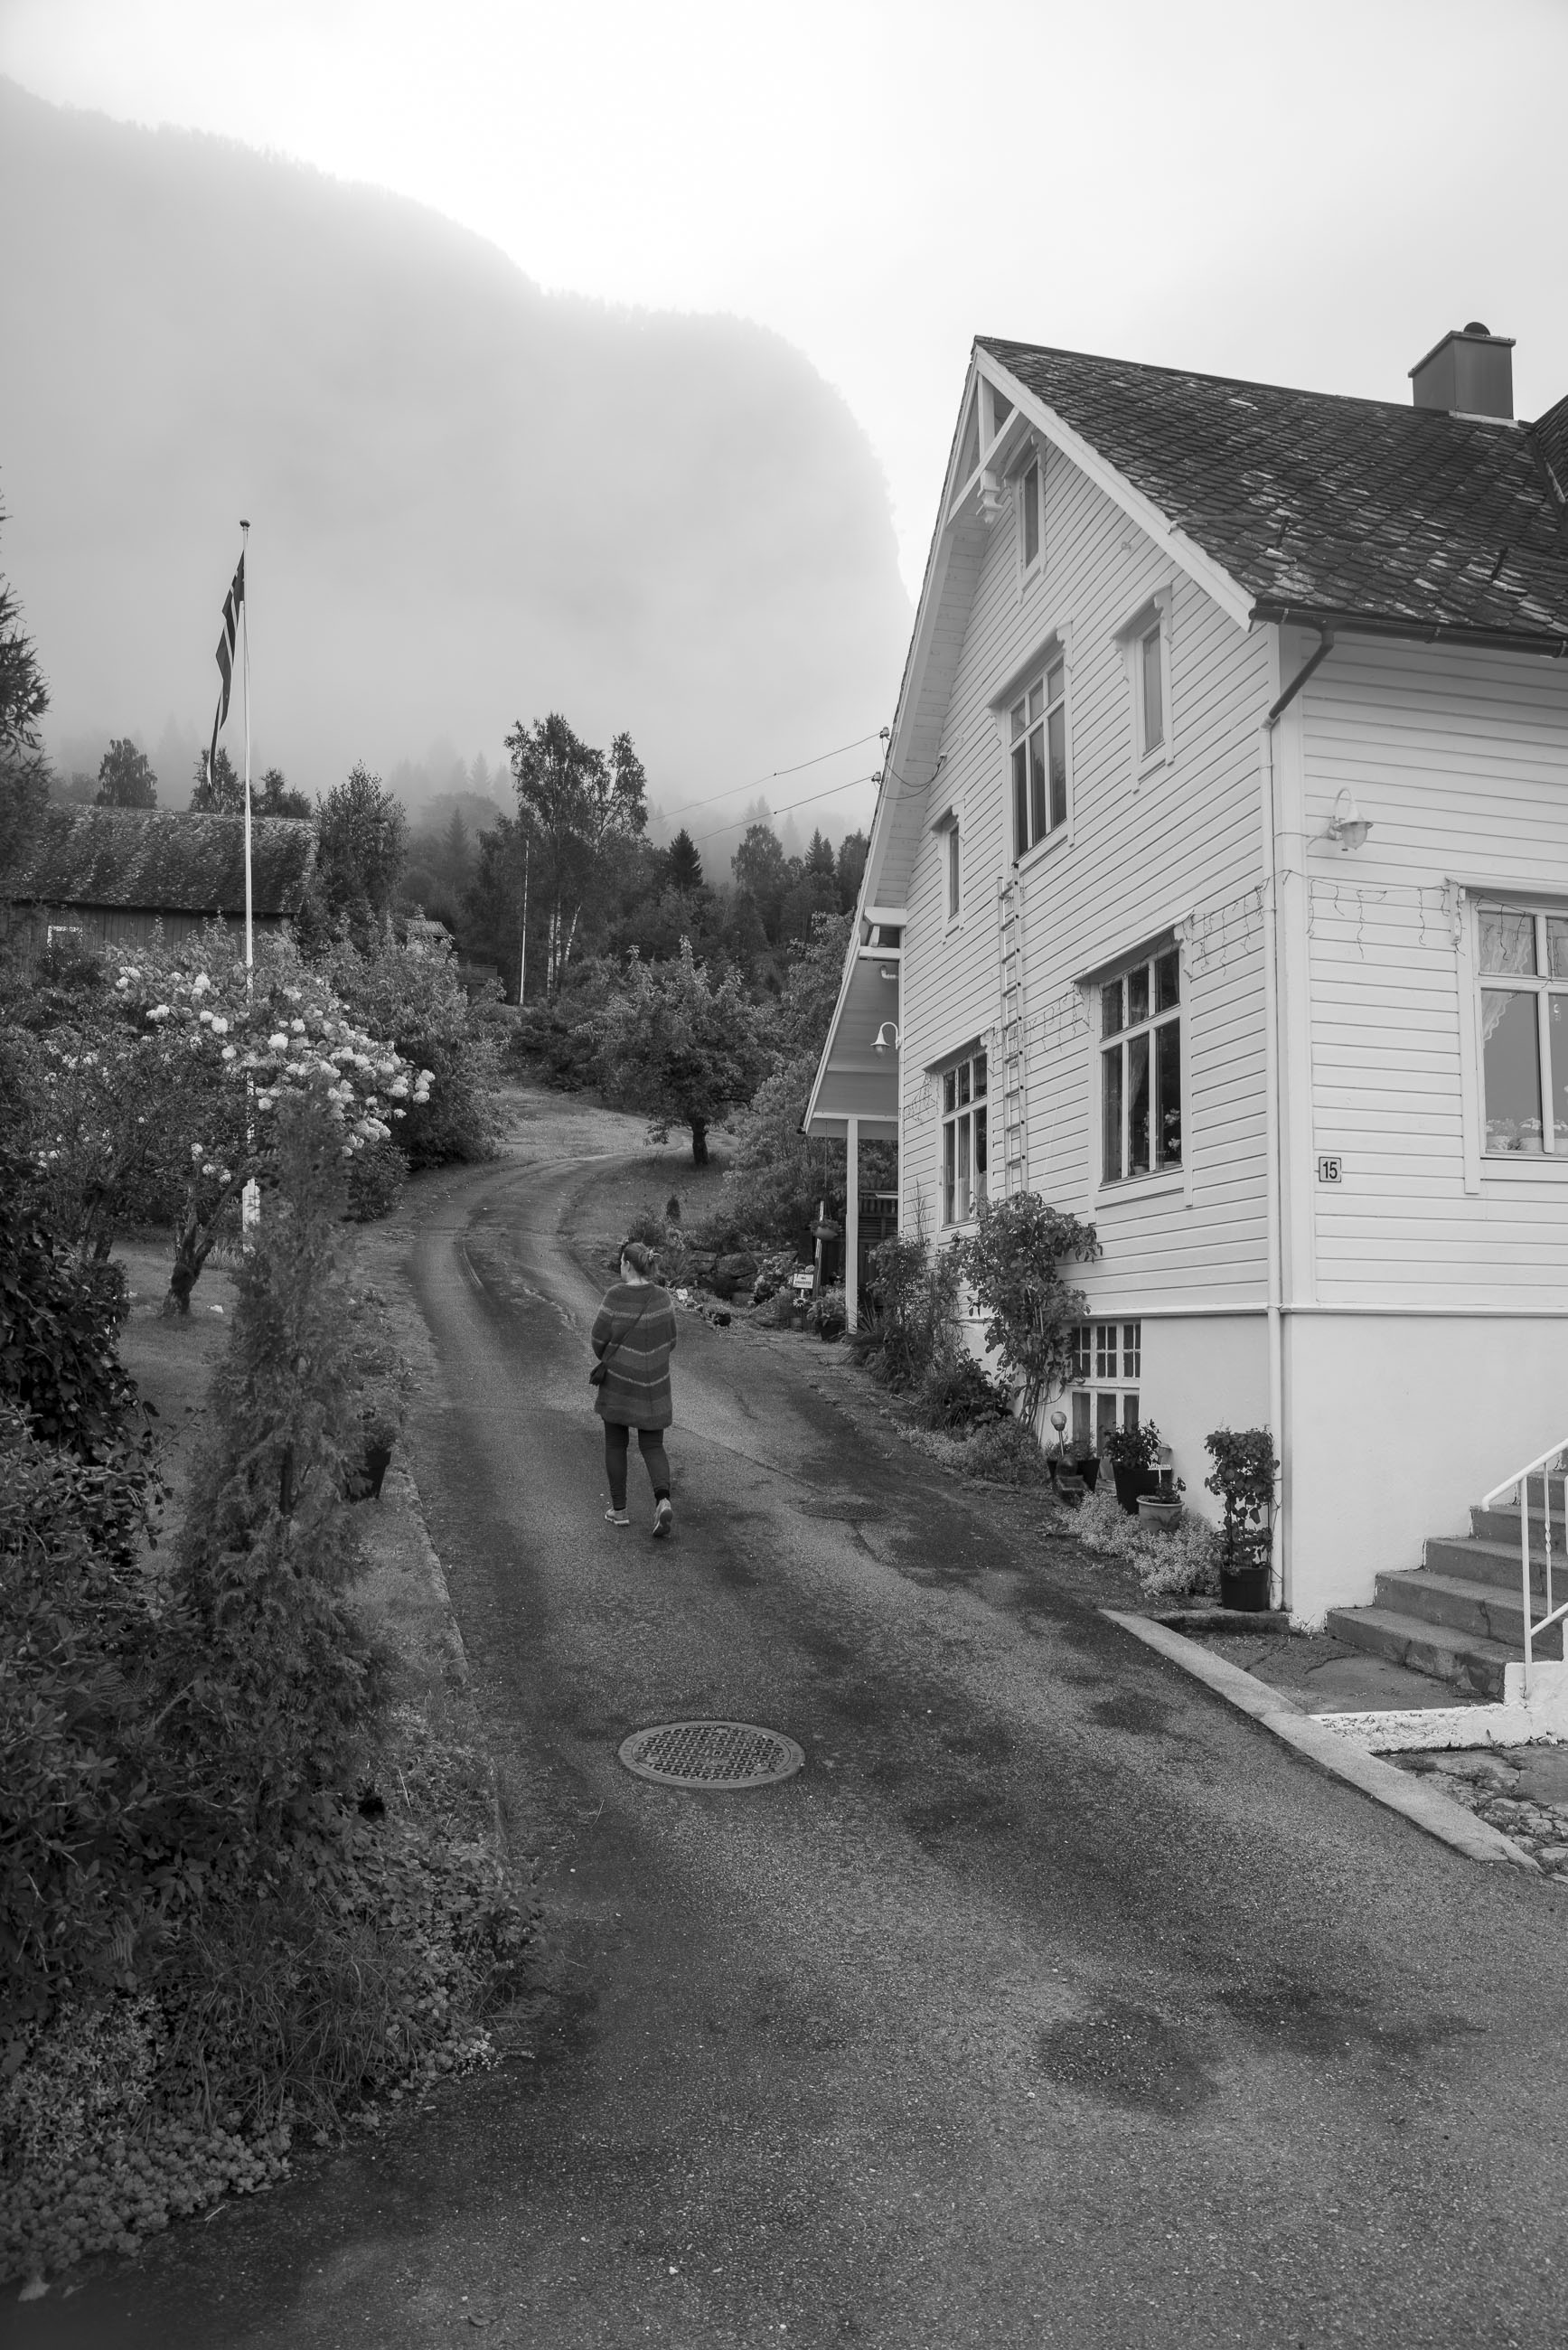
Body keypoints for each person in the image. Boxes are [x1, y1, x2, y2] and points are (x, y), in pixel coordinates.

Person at [591, 1240, 678, 1536]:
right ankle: (663, 1501)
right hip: (654, 1386)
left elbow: (598, 1339)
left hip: (618, 1384)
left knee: (616, 1444)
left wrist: (616, 1358)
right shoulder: (663, 1298)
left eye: (620, 1263)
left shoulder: (615, 1296)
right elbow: (671, 1340)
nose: (620, 1267)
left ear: (627, 1265)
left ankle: (619, 1511)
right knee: (652, 1446)